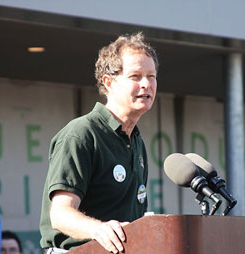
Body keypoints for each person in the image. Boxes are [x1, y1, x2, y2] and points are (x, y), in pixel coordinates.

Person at [40, 32, 158, 254]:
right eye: (135, 76)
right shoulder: (81, 134)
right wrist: (99, 229)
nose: (146, 84)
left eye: (151, 76)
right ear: (108, 82)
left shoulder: (136, 141)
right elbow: (60, 215)